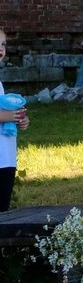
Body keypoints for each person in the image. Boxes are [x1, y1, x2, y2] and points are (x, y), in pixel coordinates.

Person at [0, 29, 30, 212]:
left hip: (6, 157)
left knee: (3, 208)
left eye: (3, 44)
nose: (0, 49)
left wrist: (19, 119)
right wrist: (6, 116)